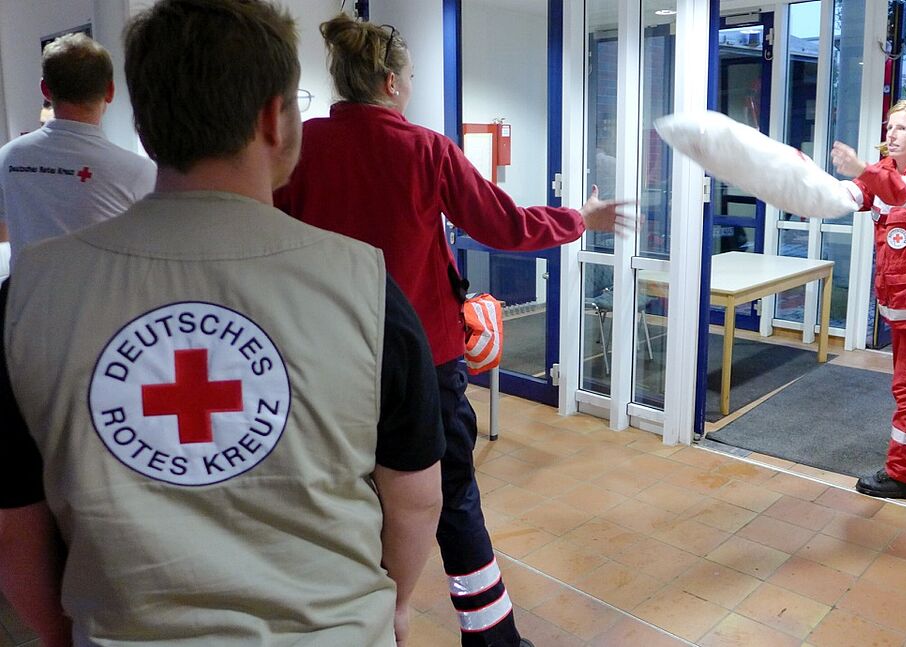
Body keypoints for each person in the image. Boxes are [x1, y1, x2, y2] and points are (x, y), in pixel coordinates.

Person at [0, 1, 445, 645]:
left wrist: (59, 634)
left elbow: (15, 528)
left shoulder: (26, 299)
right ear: (273, 119)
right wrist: (395, 606)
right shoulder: (368, 288)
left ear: (145, 122)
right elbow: (416, 497)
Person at [274, 14, 630, 647]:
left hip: (325, 361)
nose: (411, 87)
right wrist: (580, 219)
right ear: (391, 82)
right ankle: (490, 639)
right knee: (453, 496)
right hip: (423, 363)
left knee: (341, 498)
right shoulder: (425, 150)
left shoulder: (297, 148)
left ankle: (353, 626)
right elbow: (505, 225)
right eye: (410, 76)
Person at [831, 98, 906, 500]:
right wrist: (795, 180)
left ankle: (903, 475)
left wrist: (862, 169)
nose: (892, 133)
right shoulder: (885, 173)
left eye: (902, 127)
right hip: (900, 308)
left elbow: (904, 192)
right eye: (890, 126)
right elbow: (846, 196)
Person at [0, 32, 155, 268]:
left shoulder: (8, 158)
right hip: (103, 291)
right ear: (110, 91)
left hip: (27, 291)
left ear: (45, 90)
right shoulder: (138, 172)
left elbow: (3, 235)